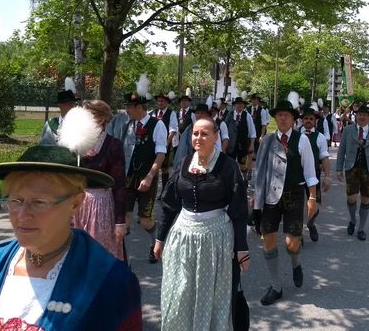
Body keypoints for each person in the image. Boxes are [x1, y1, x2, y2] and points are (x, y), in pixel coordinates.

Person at [0, 145, 142, 330]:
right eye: (15, 200)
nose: (22, 215)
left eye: (39, 202)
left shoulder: (110, 281)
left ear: (75, 203)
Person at [154, 118, 249, 330]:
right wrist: (160, 238)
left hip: (215, 242)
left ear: (215, 137)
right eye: (195, 133)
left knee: (211, 297)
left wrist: (242, 248)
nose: (199, 138)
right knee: (179, 294)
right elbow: (170, 205)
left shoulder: (228, 167)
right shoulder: (185, 163)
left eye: (204, 134)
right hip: (182, 240)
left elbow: (239, 211)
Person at [252, 100, 318, 306]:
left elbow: (310, 172)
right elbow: (259, 172)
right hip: (271, 197)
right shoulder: (267, 140)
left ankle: (296, 264)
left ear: (292, 119)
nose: (282, 118)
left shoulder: (302, 141)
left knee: (292, 243)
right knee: (269, 240)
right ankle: (276, 286)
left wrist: (313, 198)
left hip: (294, 195)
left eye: (286, 115)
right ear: (275, 118)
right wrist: (255, 205)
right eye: (279, 115)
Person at [62, 101, 127, 260]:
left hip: (101, 206)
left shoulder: (113, 145)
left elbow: (119, 185)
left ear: (101, 119)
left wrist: (120, 221)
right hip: (77, 203)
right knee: (74, 252)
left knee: (99, 254)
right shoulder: (76, 143)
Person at [109, 92, 167, 264]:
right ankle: (122, 258)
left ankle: (155, 244)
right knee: (124, 219)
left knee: (145, 220)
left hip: (146, 177)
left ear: (140, 107)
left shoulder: (157, 125)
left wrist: (149, 176)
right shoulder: (128, 125)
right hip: (128, 177)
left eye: (129, 107)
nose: (127, 110)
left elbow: (161, 154)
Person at [335, 105, 369, 241]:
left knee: (366, 199)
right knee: (351, 197)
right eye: (359, 114)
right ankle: (352, 220)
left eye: (365, 115)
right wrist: (339, 168)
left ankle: (361, 229)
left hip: (368, 169)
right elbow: (341, 151)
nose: (362, 117)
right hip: (352, 168)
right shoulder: (348, 130)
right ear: (356, 116)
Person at [299, 107, 331, 242]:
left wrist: (327, 177)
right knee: (297, 205)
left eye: (311, 119)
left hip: (313, 175)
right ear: (302, 120)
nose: (308, 121)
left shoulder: (320, 138)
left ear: (315, 121)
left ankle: (311, 224)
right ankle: (298, 234)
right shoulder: (295, 135)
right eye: (306, 118)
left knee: (315, 204)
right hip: (297, 174)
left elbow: (324, 158)